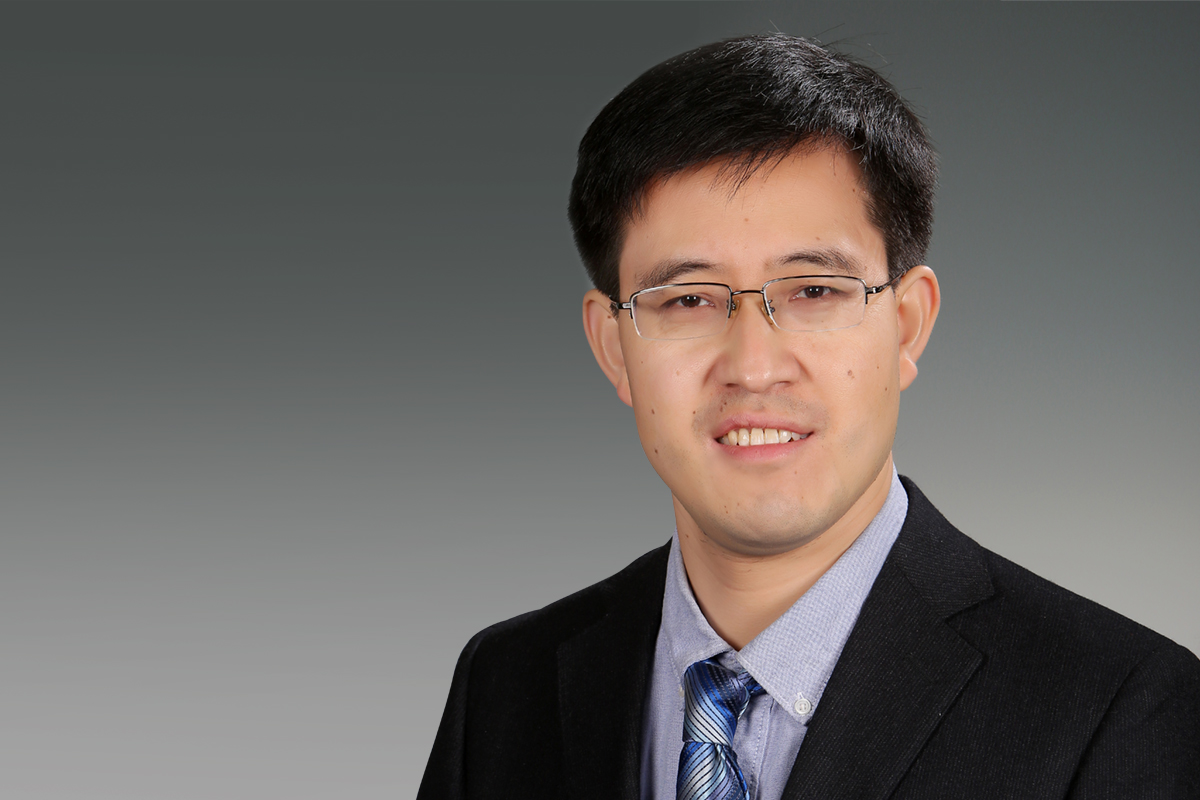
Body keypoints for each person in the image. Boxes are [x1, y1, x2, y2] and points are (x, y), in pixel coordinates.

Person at [418, 34, 1199, 800]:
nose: (754, 366)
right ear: (613, 346)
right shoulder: (505, 685)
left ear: (908, 324)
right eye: (689, 300)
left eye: (815, 292)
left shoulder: (1120, 708)